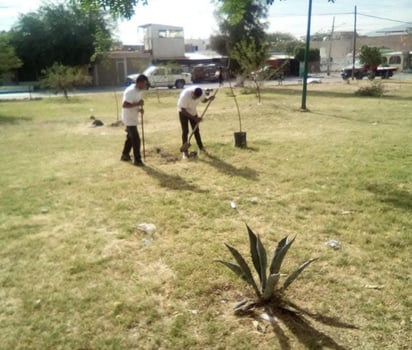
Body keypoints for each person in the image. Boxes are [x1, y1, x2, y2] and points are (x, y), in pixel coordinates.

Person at [177, 87, 215, 159]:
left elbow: (203, 100)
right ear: (192, 92)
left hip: (193, 112)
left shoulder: (201, 93)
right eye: (194, 96)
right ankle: (185, 152)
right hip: (183, 113)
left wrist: (209, 98)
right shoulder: (185, 96)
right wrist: (195, 118)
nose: (194, 98)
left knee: (196, 131)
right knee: (185, 131)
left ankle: (201, 148)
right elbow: (183, 110)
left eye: (196, 98)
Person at [120, 74, 148, 167]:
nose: (144, 86)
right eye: (144, 84)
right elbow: (125, 105)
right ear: (139, 82)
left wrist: (139, 109)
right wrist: (138, 104)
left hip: (133, 117)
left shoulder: (138, 91)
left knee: (130, 138)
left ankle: (125, 155)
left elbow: (135, 103)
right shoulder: (130, 91)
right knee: (136, 139)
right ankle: (137, 160)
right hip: (128, 118)